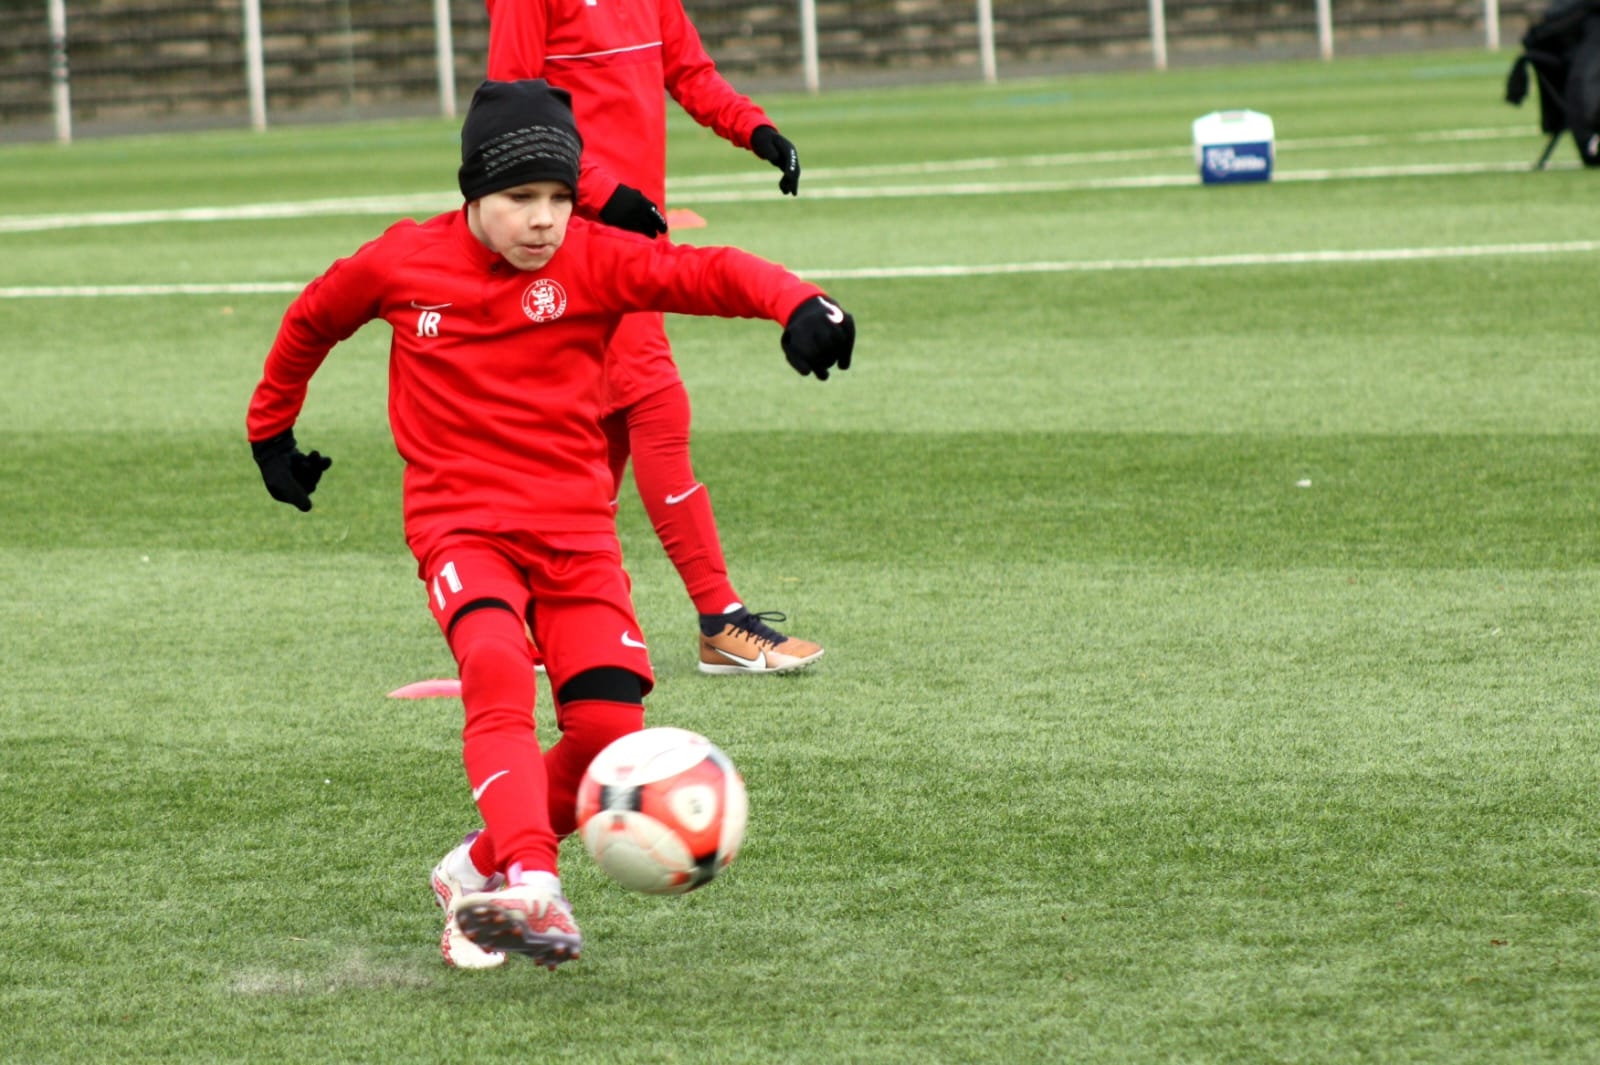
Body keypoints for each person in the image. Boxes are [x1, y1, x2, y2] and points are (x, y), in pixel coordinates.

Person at [245, 79, 855, 970]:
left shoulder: (592, 259)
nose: (542, 219)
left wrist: (799, 302)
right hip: (460, 525)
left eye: (560, 197)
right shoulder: (402, 262)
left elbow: (704, 271)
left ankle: (475, 868)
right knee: (496, 664)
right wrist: (270, 431)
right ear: (472, 193)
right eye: (519, 197)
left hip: (575, 531)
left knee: (607, 728)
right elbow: (312, 318)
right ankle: (532, 881)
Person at [485, 0, 826, 676]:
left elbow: (690, 72)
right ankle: (719, 620)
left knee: (604, 429)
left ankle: (551, 614)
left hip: (635, 237)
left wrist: (754, 129)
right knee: (654, 402)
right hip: (574, 238)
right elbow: (512, 115)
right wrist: (600, 192)